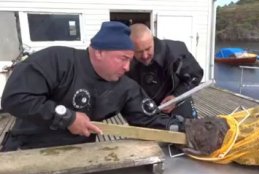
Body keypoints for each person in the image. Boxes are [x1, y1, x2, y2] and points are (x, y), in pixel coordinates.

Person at [0, 21, 183, 151]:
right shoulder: (56, 61)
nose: (127, 67)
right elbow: (14, 98)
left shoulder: (125, 87)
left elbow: (149, 120)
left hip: (81, 155)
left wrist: (186, 128)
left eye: (130, 59)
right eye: (123, 59)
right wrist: (67, 118)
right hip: (27, 150)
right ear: (99, 52)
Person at [127, 23, 204, 119]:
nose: (145, 55)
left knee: (186, 128)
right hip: (146, 106)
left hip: (177, 99)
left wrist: (176, 98)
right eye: (138, 51)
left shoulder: (176, 53)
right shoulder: (124, 60)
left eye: (148, 49)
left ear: (153, 41)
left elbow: (195, 75)